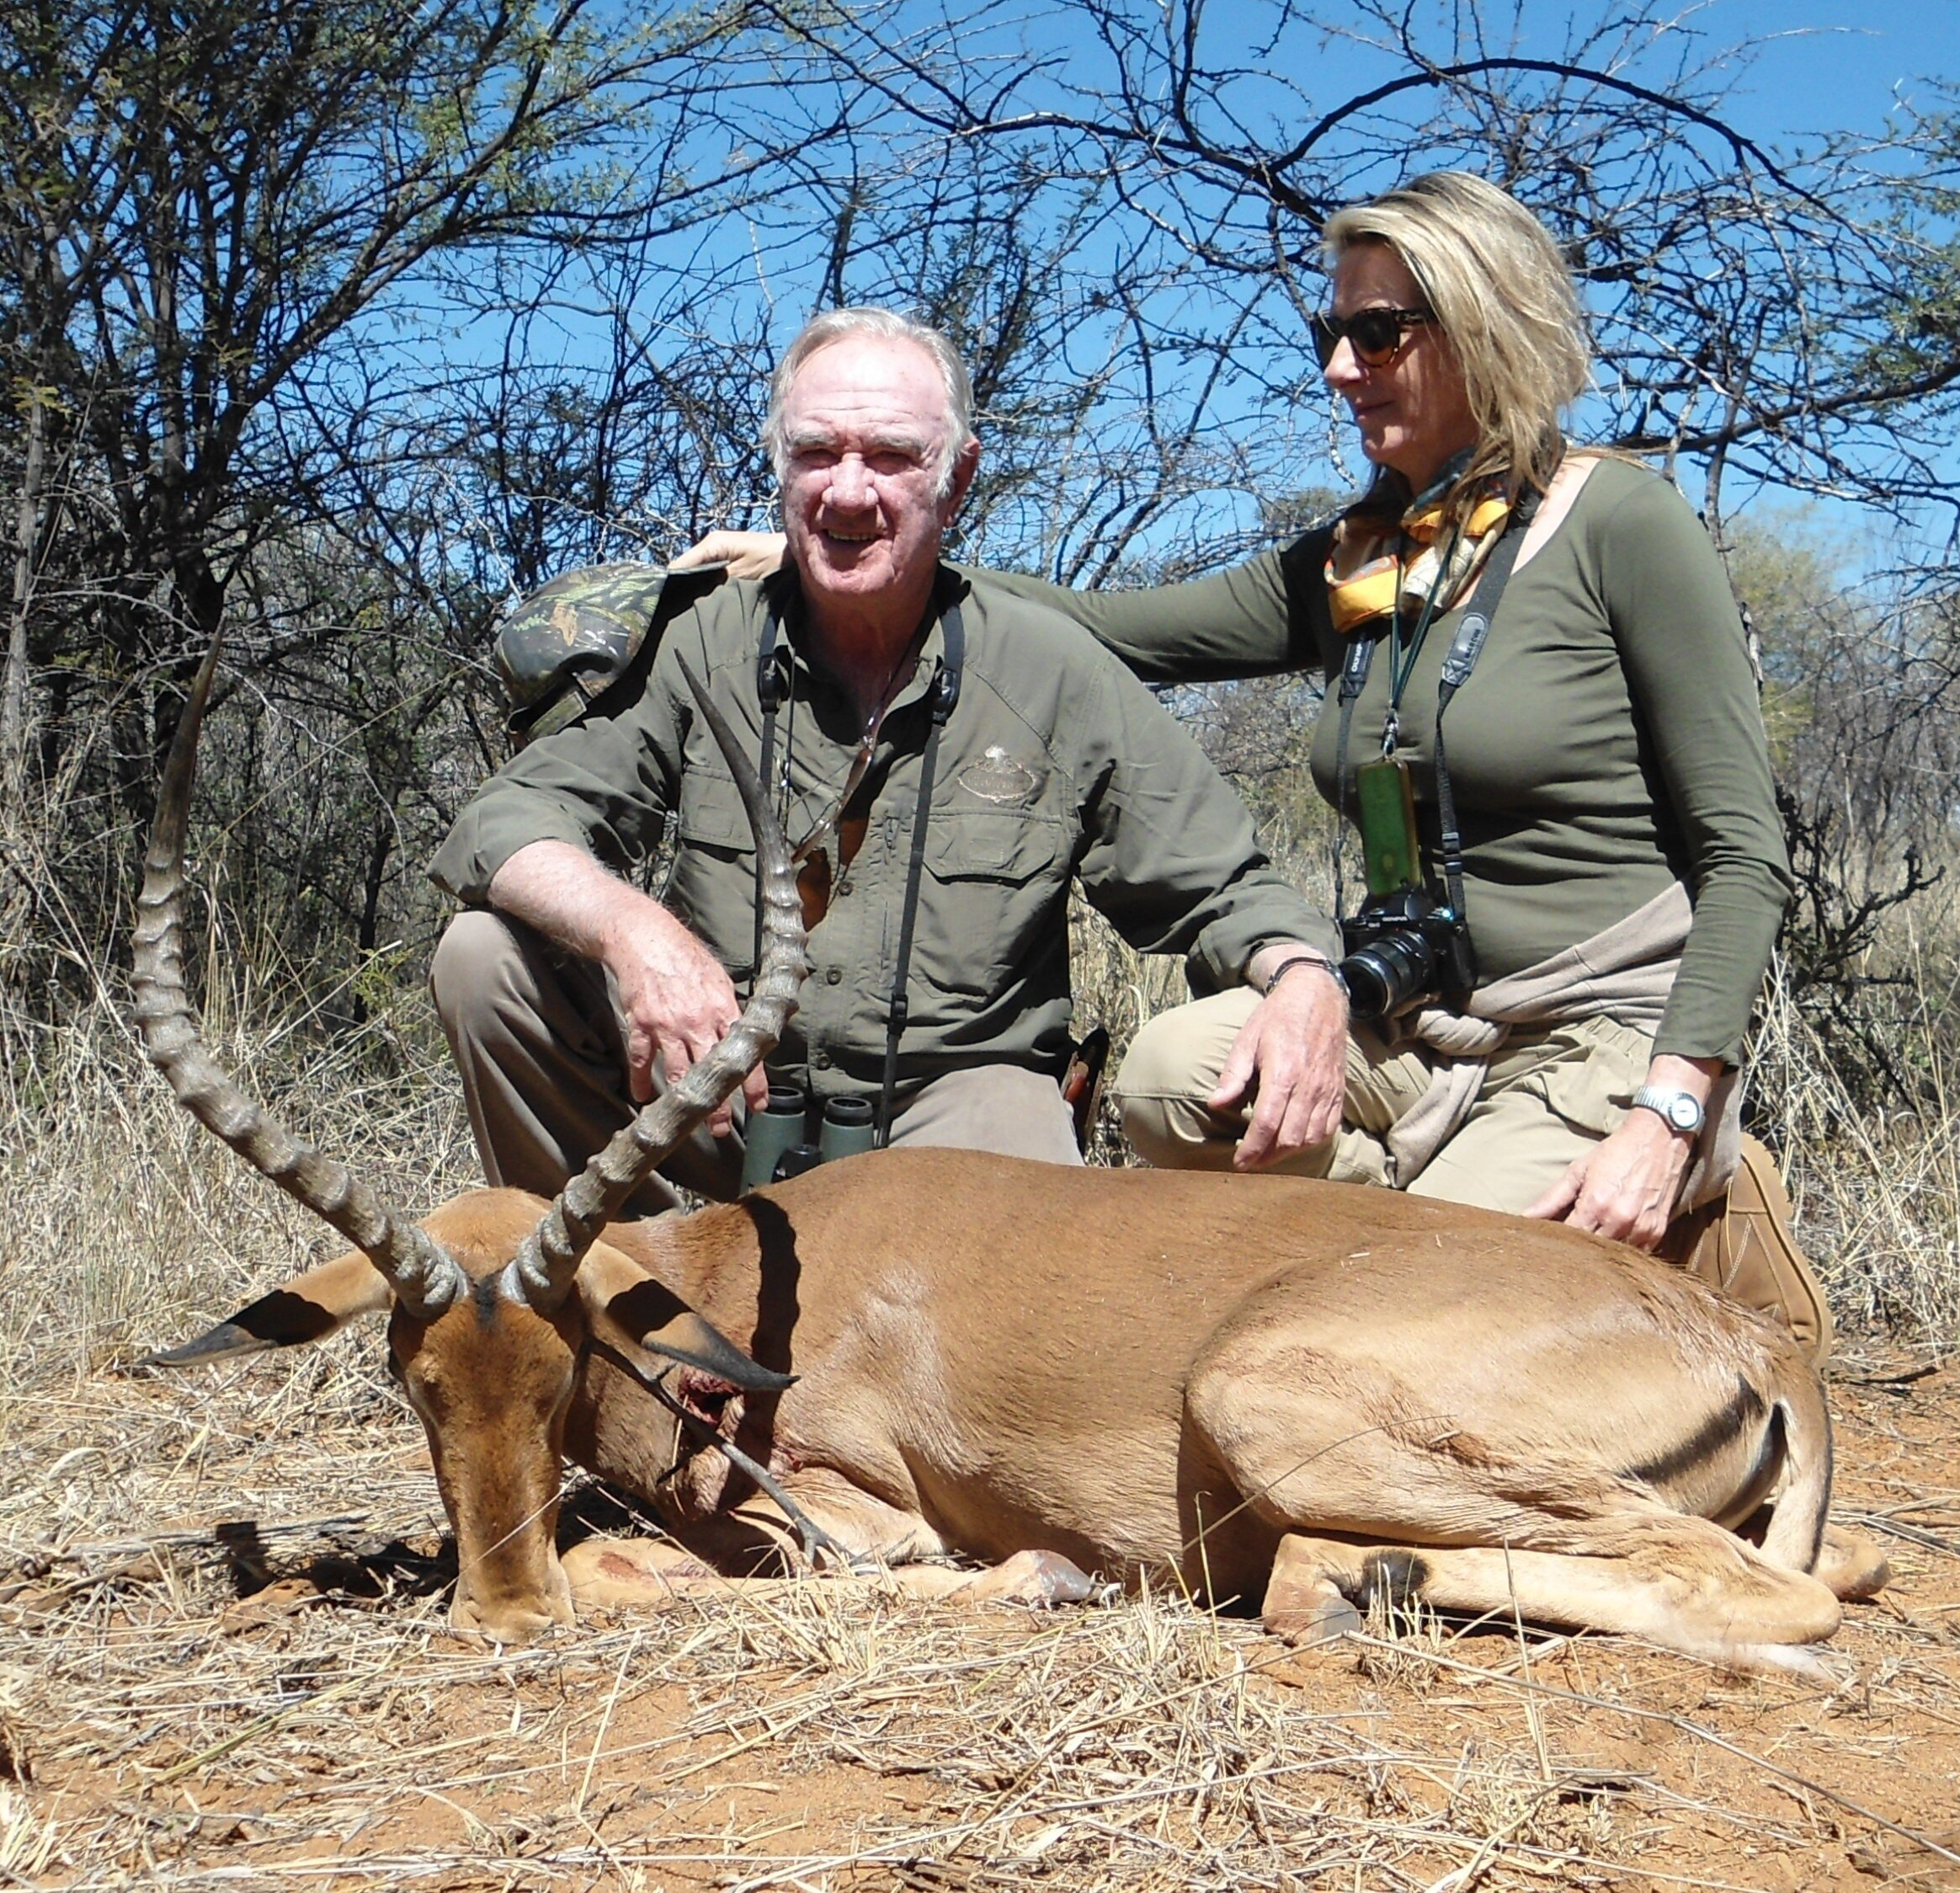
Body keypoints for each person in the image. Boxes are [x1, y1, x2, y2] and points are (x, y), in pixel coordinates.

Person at [695, 173, 1824, 1356]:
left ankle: (1697, 1198)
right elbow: (1118, 630)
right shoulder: (1366, 555)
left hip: (1603, 1023)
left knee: (1412, 1326)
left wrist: (1672, 1104)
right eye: (1331, 334)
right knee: (1174, 1080)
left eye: (1380, 333)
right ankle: (1440, 1210)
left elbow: (1746, 855)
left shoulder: (1622, 524)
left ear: (1485, 322)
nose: (1342, 368)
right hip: (1423, 1023)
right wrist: (835, 560)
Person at [428, 307, 1345, 1210]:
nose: (847, 491)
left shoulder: (1053, 667)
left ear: (956, 479)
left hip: (955, 1114)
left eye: (892, 456)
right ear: (779, 466)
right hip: (729, 1094)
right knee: (484, 957)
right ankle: (619, 1309)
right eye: (816, 452)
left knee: (1004, 1282)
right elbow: (506, 823)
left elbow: (1226, 887)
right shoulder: (696, 645)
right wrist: (638, 937)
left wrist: (1302, 980)